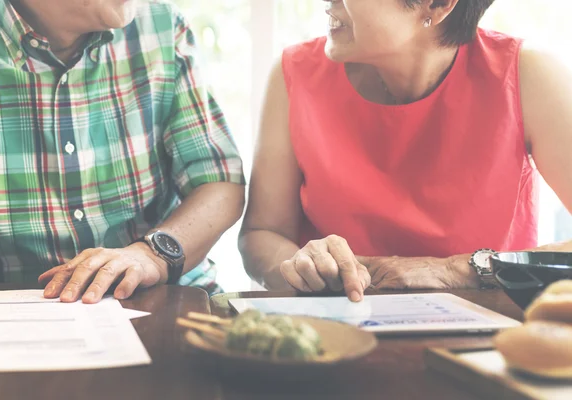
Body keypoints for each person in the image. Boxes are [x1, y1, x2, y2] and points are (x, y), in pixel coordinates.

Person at [239, 0, 572, 302]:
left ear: (437, 5)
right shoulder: (295, 74)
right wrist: (299, 266)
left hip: (489, 343)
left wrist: (454, 271)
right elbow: (261, 234)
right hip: (337, 337)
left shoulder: (526, 75)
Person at [0, 0, 245, 303]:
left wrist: (152, 255)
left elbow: (218, 182)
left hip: (166, 301)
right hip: (6, 319)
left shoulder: (163, 26)